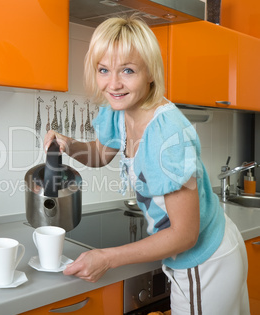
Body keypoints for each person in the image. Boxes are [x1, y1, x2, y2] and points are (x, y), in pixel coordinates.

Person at [44, 15, 250, 314]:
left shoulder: (167, 134)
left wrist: (108, 257)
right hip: (197, 254)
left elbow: (185, 234)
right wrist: (68, 143)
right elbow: (101, 155)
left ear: (150, 72)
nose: (113, 83)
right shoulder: (120, 111)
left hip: (206, 261)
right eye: (104, 70)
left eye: (128, 70)